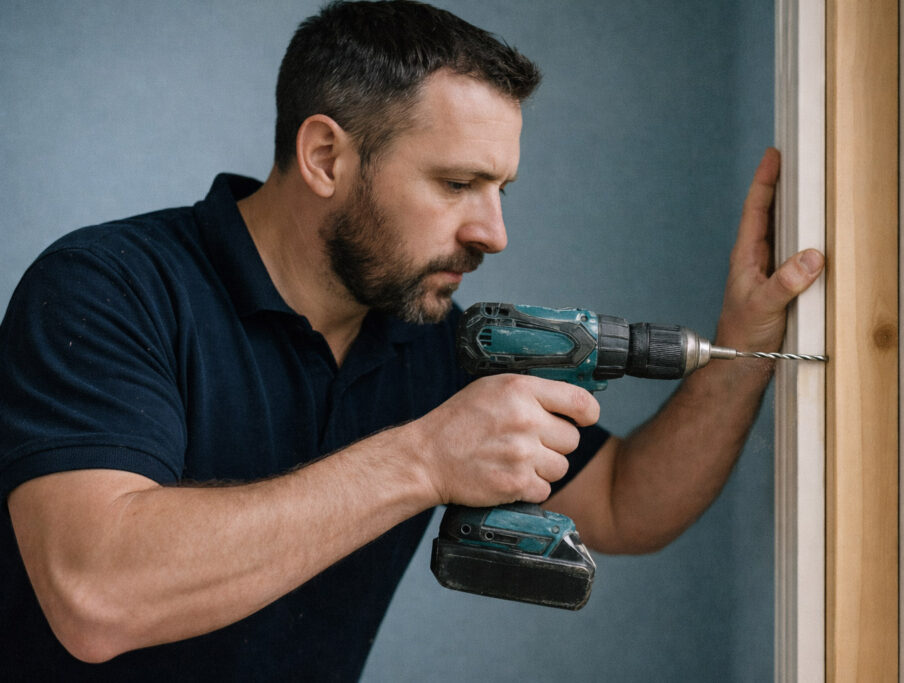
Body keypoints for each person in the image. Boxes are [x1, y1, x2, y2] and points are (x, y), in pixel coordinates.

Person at [0, 1, 824, 680]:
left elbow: (624, 502)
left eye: (501, 187)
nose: (495, 232)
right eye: (457, 183)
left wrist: (741, 348)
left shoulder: (436, 345)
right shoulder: (109, 288)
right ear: (325, 155)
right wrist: (424, 459)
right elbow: (94, 592)